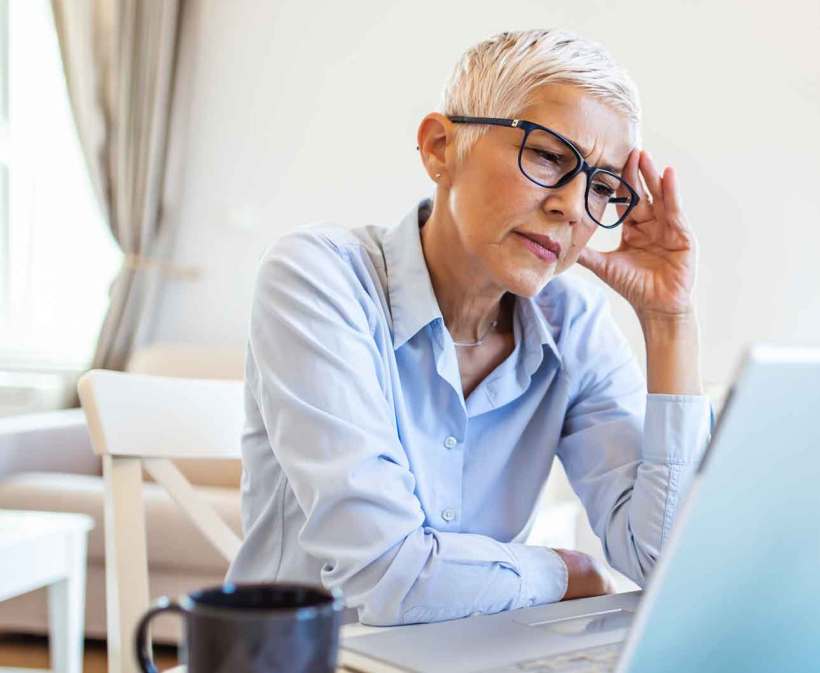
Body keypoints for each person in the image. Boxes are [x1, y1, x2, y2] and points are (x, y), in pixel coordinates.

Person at [226, 28, 711, 626]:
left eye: (603, 186)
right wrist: (565, 572)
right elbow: (386, 577)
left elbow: (665, 563)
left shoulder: (574, 324)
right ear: (439, 148)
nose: (570, 204)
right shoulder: (319, 278)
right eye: (548, 156)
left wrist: (669, 322)